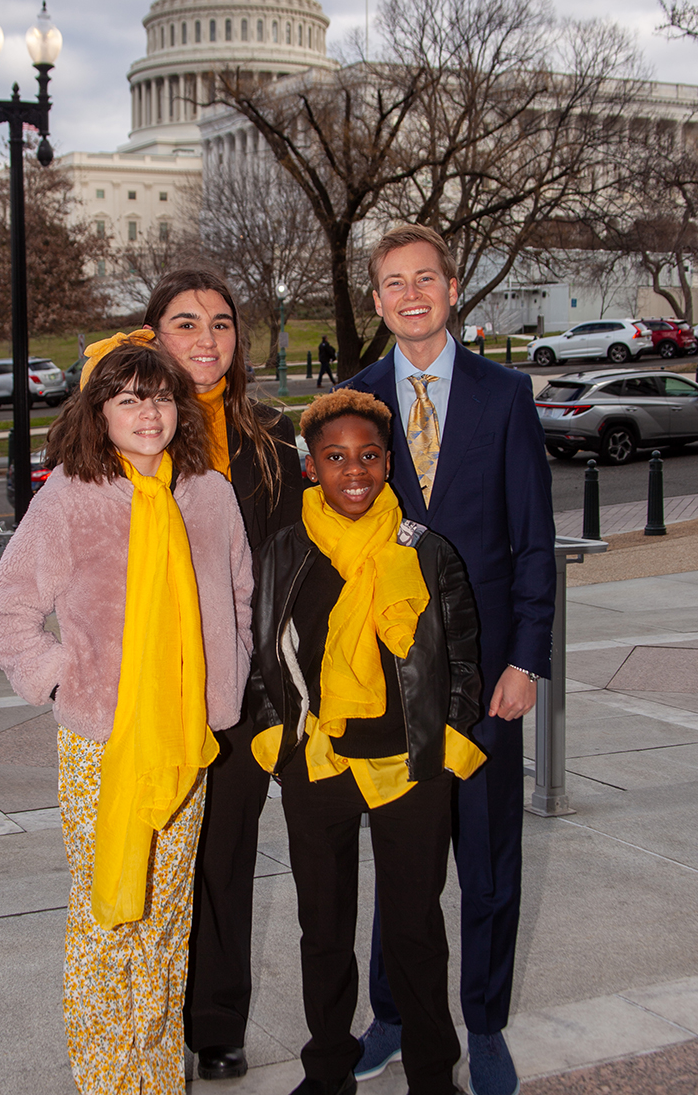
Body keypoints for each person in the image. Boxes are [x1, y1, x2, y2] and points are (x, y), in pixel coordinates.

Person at [0, 334, 254, 1094]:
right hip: (106, 745)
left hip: (186, 736)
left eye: (160, 395)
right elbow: (0, 612)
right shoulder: (71, 498)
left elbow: (236, 598)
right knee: (109, 916)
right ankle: (107, 1080)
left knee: (166, 919)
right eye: (128, 398)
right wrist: (66, 682)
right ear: (98, 411)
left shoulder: (210, 492)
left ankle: (157, 1078)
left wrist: (225, 678)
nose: (148, 411)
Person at [345, 225, 556, 1095]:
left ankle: (487, 1022)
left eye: (424, 277)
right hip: (393, 680)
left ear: (453, 287)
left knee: (488, 860)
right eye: (393, 281)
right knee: (402, 864)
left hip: (488, 677)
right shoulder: (356, 400)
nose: (410, 293)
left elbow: (533, 542)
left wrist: (527, 661)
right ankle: (392, 1015)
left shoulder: (504, 394)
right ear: (377, 300)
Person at [248, 389, 486, 1095]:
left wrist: (448, 731)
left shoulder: (425, 548)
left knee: (415, 929)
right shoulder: (285, 549)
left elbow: (464, 653)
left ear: (388, 463)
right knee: (322, 929)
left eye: (369, 456)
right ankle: (327, 1069)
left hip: (411, 766)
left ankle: (433, 1075)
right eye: (336, 457)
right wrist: (275, 738)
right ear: (312, 467)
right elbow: (262, 651)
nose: (355, 470)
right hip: (316, 762)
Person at [142, 267, 304, 1081]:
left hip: (242, 690)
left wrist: (272, 686)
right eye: (185, 323)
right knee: (160, 858)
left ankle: (217, 1022)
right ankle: (152, 1012)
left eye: (220, 324)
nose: (207, 340)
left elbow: (284, 567)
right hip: (150, 692)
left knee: (227, 858)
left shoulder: (269, 436)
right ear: (154, 335)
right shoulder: (130, 429)